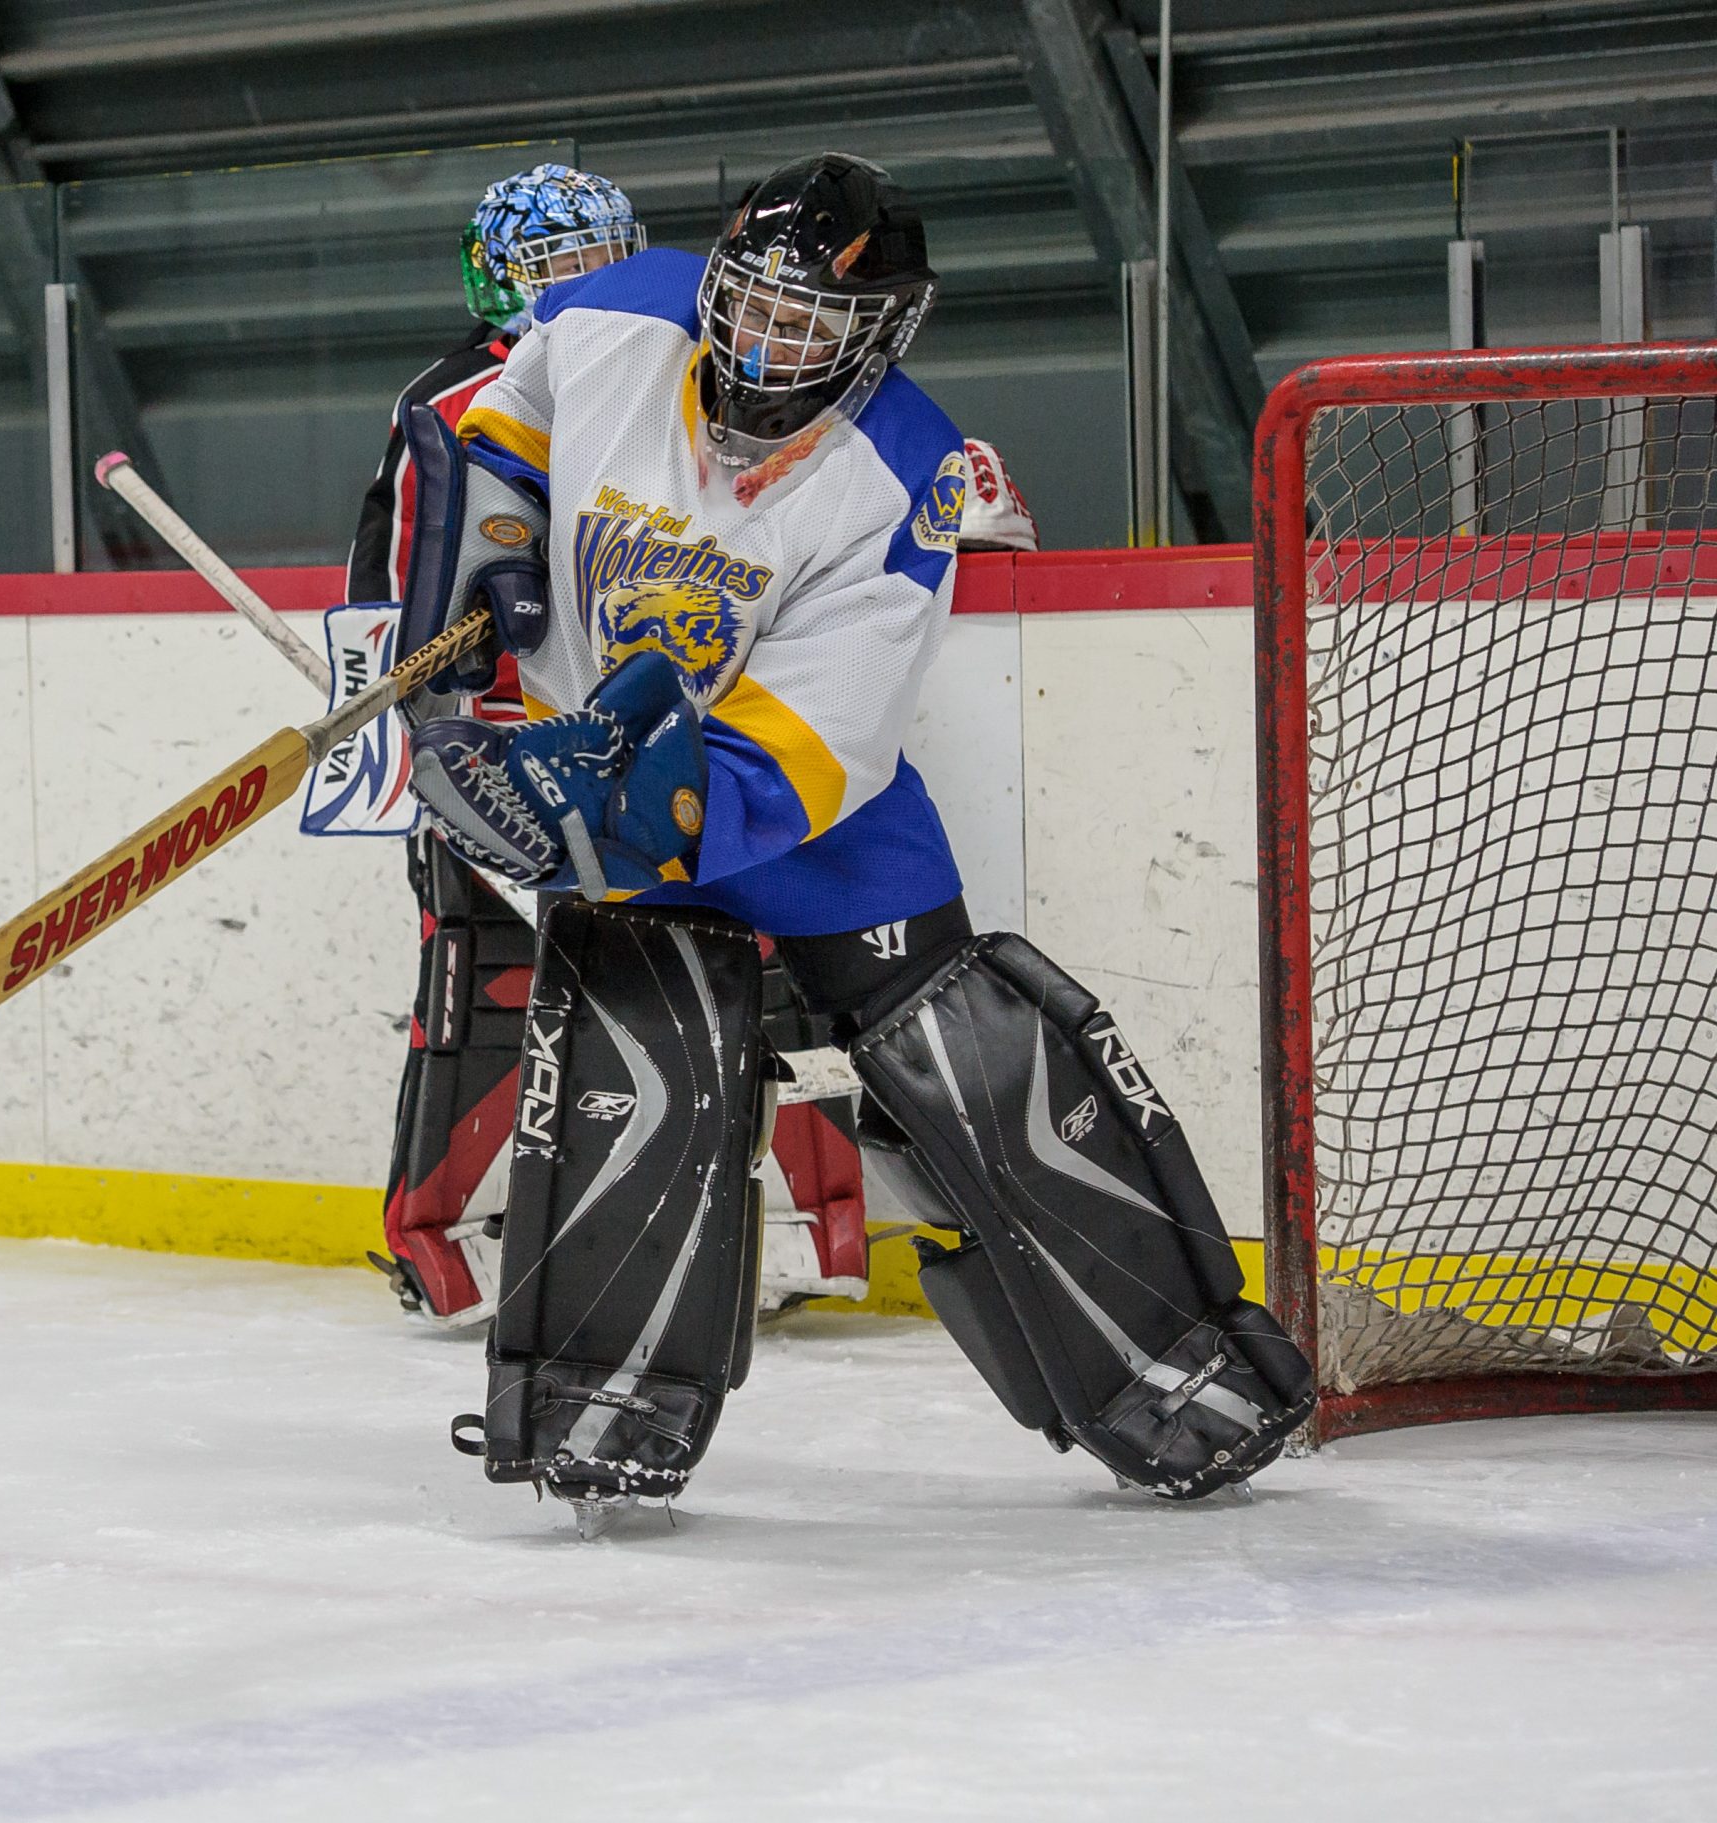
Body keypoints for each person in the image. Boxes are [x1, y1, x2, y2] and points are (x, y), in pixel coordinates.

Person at [390, 153, 1311, 1522]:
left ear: (875, 334)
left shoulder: (908, 473)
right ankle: (599, 1408)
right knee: (639, 1077)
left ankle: (1176, 1372)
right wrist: (503, 549)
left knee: (975, 1075)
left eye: (808, 324)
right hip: (611, 799)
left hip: (813, 826)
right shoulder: (618, 313)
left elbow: (812, 744)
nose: (766, 342)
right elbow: (500, 425)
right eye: (752, 305)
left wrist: (607, 808)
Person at [350, 163, 882, 1330]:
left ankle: (805, 1229)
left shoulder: (699, 363)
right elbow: (401, 590)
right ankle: (445, 1242)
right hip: (502, 754)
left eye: (596, 262)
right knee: (489, 986)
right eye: (549, 271)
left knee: (766, 976)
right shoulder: (448, 402)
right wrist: (433, 718)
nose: (579, 289)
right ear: (495, 281)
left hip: (689, 750)